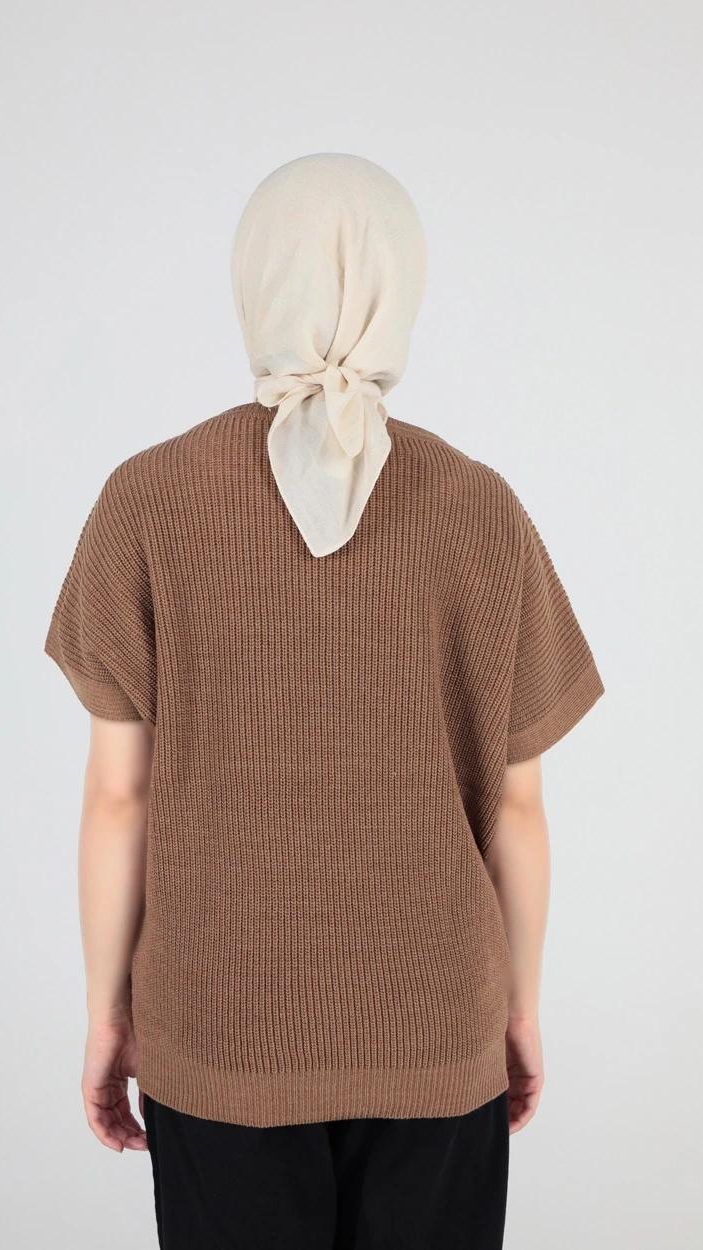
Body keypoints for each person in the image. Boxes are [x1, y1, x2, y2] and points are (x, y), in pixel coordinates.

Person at [44, 152, 605, 1249]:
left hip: (216, 1026)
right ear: (404, 289)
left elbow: (119, 798)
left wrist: (110, 1012)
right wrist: (516, 1009)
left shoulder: (146, 500)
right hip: (434, 1024)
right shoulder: (480, 509)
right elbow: (518, 807)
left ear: (253, 284)